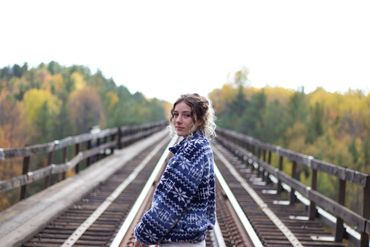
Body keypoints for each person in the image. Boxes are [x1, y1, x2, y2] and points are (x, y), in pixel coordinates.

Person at [134, 93, 217, 247]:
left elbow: (171, 202)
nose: (178, 120)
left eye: (186, 115)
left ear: (199, 119)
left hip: (179, 242)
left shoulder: (193, 149)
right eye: (175, 114)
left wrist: (143, 235)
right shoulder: (200, 145)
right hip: (188, 240)